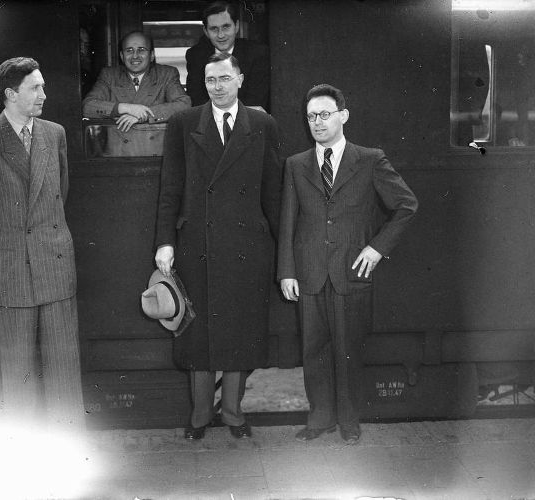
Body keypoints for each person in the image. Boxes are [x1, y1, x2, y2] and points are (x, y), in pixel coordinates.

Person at [277, 84, 418, 444]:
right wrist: (287, 271)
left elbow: (406, 205)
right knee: (314, 351)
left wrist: (376, 248)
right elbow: (288, 221)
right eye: (311, 116)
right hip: (309, 273)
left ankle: (349, 420)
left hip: (351, 271)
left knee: (349, 350)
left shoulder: (370, 159)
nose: (317, 122)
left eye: (325, 114)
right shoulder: (295, 164)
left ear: (343, 115)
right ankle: (320, 418)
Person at [154, 53, 282, 440]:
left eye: (225, 78)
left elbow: (272, 192)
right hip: (198, 243)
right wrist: (165, 242)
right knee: (199, 332)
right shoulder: (183, 123)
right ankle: (199, 415)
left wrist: (283, 253)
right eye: (211, 80)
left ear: (240, 80)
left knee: (240, 330)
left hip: (248, 244)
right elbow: (170, 188)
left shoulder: (262, 124)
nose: (217, 86)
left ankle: (232, 414)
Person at [0, 57, 85, 431]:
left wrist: (41, 238)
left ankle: (69, 446)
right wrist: (0, 245)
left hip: (55, 265)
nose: (44, 94)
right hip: (8, 271)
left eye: (43, 86)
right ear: (11, 94)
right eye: (35, 87)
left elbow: (59, 193)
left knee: (64, 371)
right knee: (18, 372)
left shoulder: (54, 134)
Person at [82, 30, 190, 132]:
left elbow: (184, 105)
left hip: (153, 144)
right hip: (118, 143)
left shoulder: (166, 74)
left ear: (152, 55)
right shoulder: (109, 75)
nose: (135, 56)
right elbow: (88, 107)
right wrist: (126, 108)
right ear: (122, 56)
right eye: (129, 50)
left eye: (141, 50)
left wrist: (144, 114)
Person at [185, 1, 269, 111]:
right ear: (206, 31)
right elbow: (197, 100)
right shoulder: (195, 56)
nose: (221, 35)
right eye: (214, 29)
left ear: (236, 26)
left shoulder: (257, 53)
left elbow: (256, 102)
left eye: (226, 27)